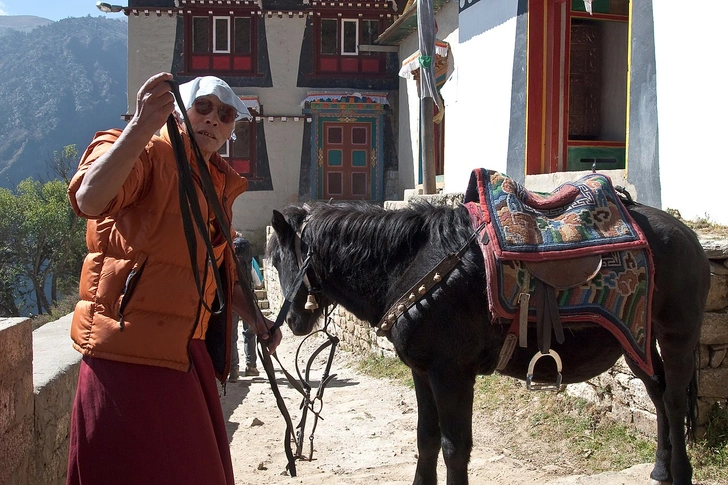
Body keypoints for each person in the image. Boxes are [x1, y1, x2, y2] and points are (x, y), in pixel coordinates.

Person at [65, 72, 281, 485]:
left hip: (185, 350)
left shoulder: (216, 180)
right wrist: (142, 124)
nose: (213, 120)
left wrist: (255, 319)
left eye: (226, 114)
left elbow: (219, 273)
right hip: (126, 352)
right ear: (181, 111)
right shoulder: (142, 149)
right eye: (203, 107)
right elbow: (90, 198)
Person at [229, 236, 259, 382]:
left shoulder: (227, 261)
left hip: (232, 300)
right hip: (247, 299)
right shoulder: (250, 262)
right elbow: (258, 282)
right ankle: (251, 366)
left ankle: (233, 370)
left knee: (231, 335)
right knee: (249, 333)